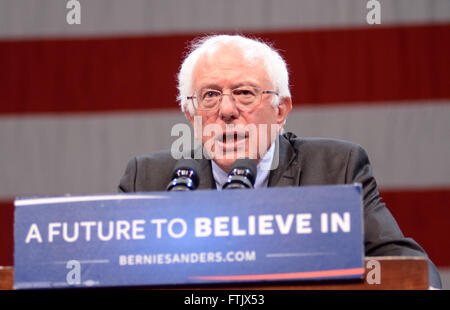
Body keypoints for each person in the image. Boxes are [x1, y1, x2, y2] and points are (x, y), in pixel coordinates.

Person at [119, 34, 441, 288]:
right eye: (210, 95)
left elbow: (406, 265)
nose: (227, 110)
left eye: (245, 92)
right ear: (191, 114)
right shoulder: (147, 178)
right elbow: (102, 270)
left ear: (281, 110)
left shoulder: (335, 168)